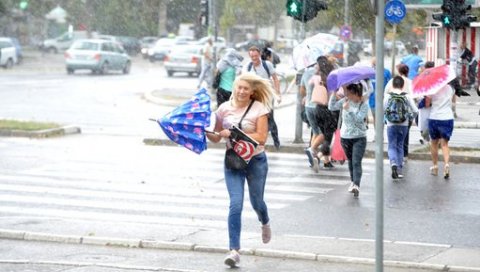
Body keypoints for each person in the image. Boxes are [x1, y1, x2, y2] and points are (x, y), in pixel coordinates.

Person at [206, 73, 273, 267]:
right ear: (234, 88)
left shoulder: (259, 108)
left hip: (255, 160)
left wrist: (233, 133)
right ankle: (234, 250)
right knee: (235, 204)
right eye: (239, 87)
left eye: (246, 88)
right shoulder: (223, 109)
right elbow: (217, 137)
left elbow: (261, 137)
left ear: (252, 92)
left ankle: (265, 221)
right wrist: (207, 131)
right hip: (233, 161)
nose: (242, 91)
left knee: (257, 201)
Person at [328, 83, 368, 197]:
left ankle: (356, 184)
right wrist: (333, 94)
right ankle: (352, 181)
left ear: (356, 93)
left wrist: (349, 109)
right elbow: (332, 107)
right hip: (345, 137)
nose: (348, 95)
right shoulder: (345, 101)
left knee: (356, 161)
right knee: (350, 161)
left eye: (350, 94)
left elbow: (359, 119)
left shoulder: (363, 104)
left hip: (359, 137)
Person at [244, 46, 282, 150]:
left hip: (267, 96)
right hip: (255, 97)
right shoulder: (248, 67)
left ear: (259, 55)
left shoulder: (267, 65)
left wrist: (278, 93)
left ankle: (276, 142)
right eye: (252, 56)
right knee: (254, 119)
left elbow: (275, 79)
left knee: (269, 118)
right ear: (249, 56)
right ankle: (256, 142)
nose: (254, 58)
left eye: (256, 56)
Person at [384, 76, 418, 179]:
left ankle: (393, 163)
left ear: (392, 84)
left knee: (391, 145)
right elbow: (415, 111)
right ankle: (399, 170)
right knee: (400, 145)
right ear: (403, 85)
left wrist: (386, 120)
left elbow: (382, 110)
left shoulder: (387, 96)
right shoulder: (407, 96)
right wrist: (410, 118)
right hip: (404, 124)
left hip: (391, 124)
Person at [428, 83, 455, 179]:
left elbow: (427, 104)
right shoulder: (450, 88)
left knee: (434, 143)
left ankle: (435, 167)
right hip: (447, 118)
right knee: (444, 144)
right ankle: (446, 165)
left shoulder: (432, 88)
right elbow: (452, 101)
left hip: (434, 117)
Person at [369, 57, 392, 128]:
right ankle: (377, 135)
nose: (373, 66)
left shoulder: (386, 72)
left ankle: (380, 136)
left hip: (383, 99)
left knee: (381, 118)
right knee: (375, 117)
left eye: (374, 64)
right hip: (372, 100)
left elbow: (390, 85)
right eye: (373, 64)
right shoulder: (370, 73)